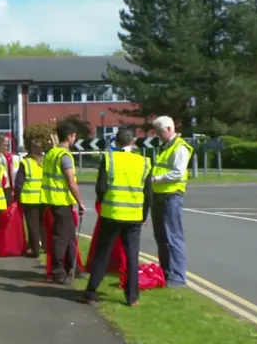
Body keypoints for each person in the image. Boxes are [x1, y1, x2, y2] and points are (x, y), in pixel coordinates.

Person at [81, 128, 153, 306]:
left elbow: (101, 188)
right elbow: (148, 193)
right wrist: (143, 215)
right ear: (133, 142)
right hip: (134, 216)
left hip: (111, 214)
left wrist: (102, 202)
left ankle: (91, 293)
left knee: (102, 254)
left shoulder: (109, 159)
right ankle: (132, 297)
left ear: (117, 143)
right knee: (131, 257)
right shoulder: (144, 162)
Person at [40, 121, 86, 285]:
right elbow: (71, 182)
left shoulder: (51, 153)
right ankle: (58, 272)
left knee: (69, 236)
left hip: (52, 199)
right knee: (62, 237)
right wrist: (80, 202)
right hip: (61, 201)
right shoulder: (65, 156)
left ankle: (73, 267)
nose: (75, 139)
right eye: (74, 136)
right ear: (69, 136)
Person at [150, 115, 194, 288]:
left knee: (173, 237)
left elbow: (177, 172)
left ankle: (177, 277)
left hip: (171, 196)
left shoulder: (180, 147)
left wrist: (156, 179)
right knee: (161, 237)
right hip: (160, 195)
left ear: (169, 129)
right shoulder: (165, 147)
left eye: (160, 132)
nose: (158, 135)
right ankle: (165, 273)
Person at [14, 138, 45, 258]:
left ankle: (34, 249)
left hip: (29, 198)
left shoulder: (26, 162)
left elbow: (19, 183)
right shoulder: (45, 162)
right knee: (42, 225)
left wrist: (16, 198)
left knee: (33, 226)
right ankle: (46, 247)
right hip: (43, 198)